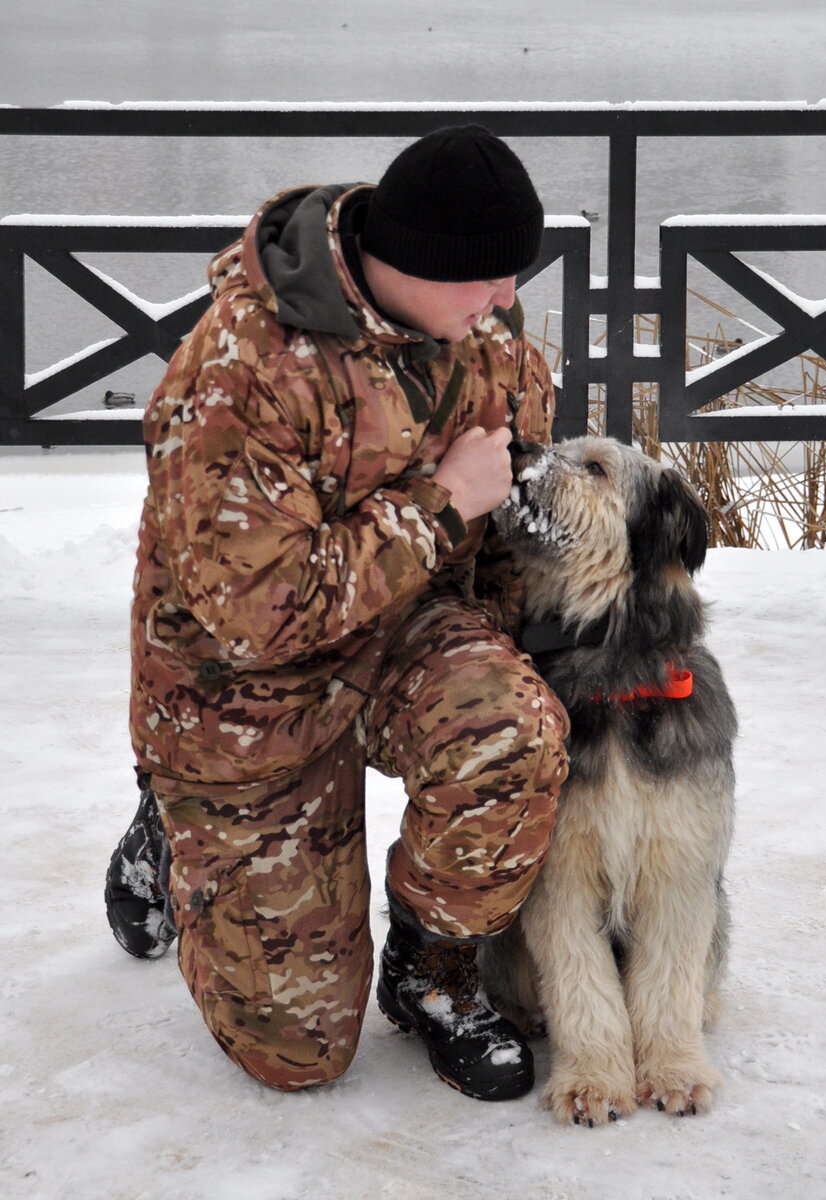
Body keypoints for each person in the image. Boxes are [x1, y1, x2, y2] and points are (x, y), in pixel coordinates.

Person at [104, 125, 570, 1102]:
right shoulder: (239, 372)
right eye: (488, 277)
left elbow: (503, 506)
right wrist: (443, 500)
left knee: (513, 735)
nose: (508, 301)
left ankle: (432, 974)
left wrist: (520, 657)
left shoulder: (480, 332)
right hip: (242, 700)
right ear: (412, 261)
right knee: (298, 1057)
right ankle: (171, 825)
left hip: (402, 630)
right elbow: (257, 619)